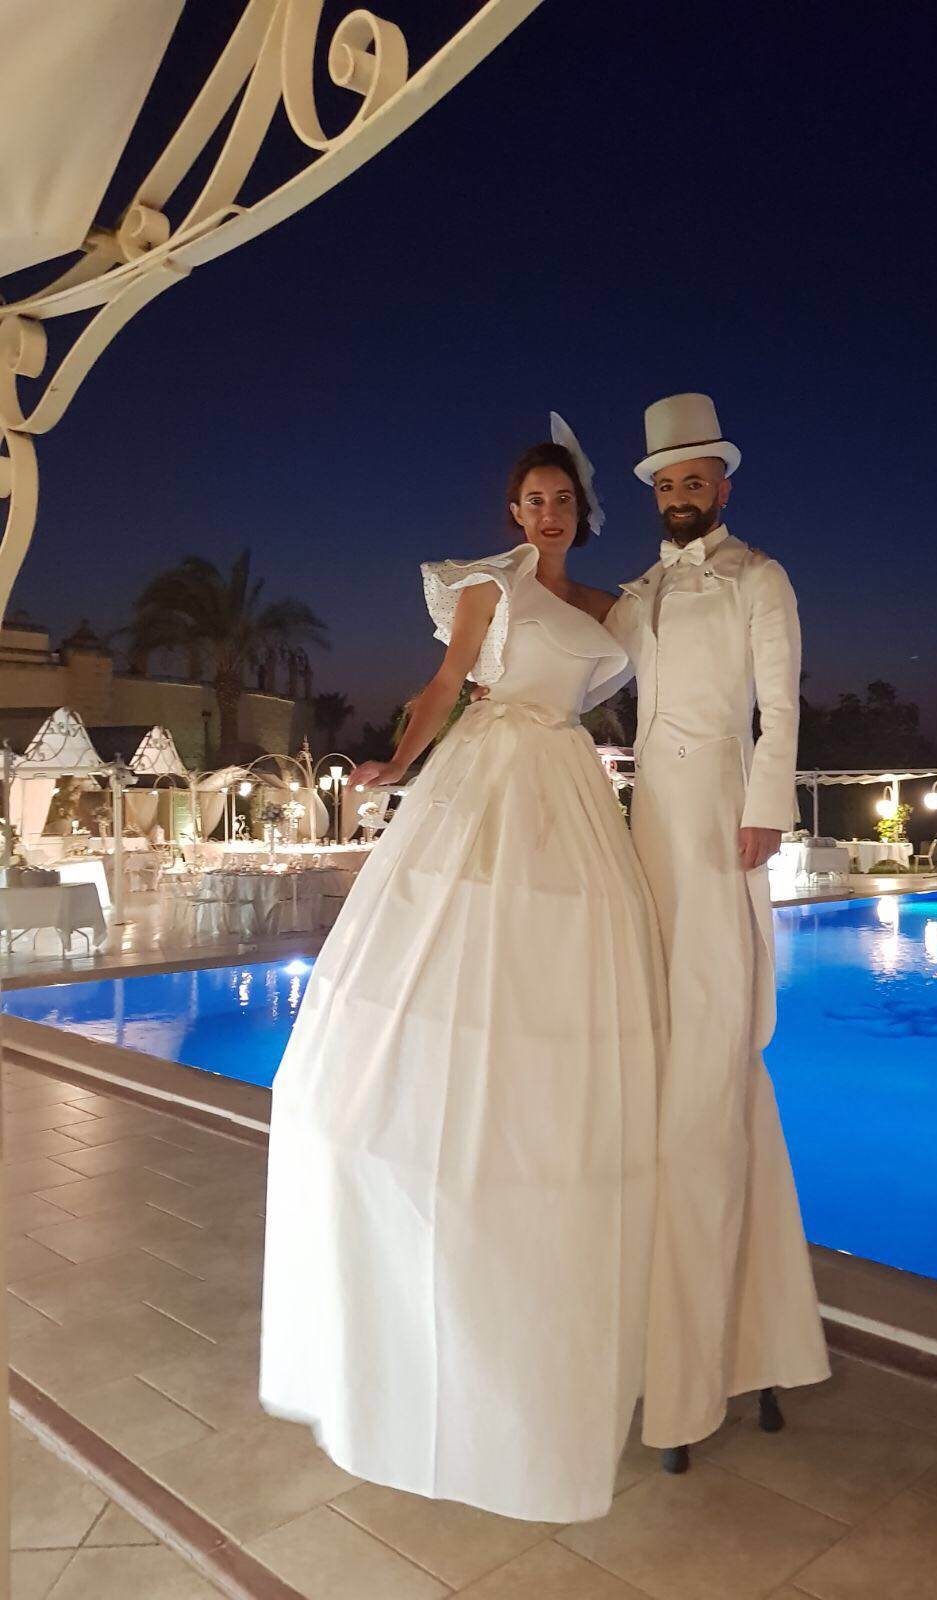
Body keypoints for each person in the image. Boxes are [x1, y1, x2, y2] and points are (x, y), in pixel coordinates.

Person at [259, 422, 666, 1524]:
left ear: (583, 512)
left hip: (568, 789)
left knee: (558, 971)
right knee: (450, 958)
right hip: (483, 777)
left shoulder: (608, 612)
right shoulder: (490, 588)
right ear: (513, 511)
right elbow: (445, 683)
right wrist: (399, 759)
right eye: (533, 500)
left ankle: (535, 1147)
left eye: (562, 501)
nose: (548, 514)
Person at [605, 393, 830, 1474]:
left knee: (708, 1068)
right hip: (646, 825)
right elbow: (571, 655)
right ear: (655, 492)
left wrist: (766, 810)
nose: (681, 493)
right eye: (667, 482)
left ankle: (703, 1362)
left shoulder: (759, 577)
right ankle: (727, 1333)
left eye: (695, 479)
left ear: (722, 486)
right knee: (663, 1063)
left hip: (718, 823)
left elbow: (780, 706)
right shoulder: (639, 593)